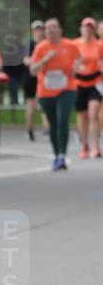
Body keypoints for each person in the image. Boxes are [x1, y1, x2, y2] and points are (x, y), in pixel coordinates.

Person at [29, 18, 81, 170]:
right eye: (48, 28)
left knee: (62, 119)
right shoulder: (41, 47)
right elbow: (33, 71)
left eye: (54, 27)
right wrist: (45, 60)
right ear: (45, 32)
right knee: (53, 124)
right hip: (46, 91)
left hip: (67, 88)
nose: (51, 30)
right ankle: (56, 154)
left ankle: (62, 155)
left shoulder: (69, 45)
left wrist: (75, 67)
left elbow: (79, 58)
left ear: (60, 30)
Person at [72, 17, 102, 159]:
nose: (88, 30)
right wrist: (76, 66)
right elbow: (69, 62)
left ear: (94, 30)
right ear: (81, 29)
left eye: (91, 28)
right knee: (82, 116)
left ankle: (96, 147)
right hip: (79, 83)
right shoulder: (74, 44)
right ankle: (85, 145)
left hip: (95, 83)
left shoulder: (99, 45)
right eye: (86, 27)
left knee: (94, 113)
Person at [22, 20, 47, 140]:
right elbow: (26, 61)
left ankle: (47, 129)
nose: (39, 32)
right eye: (36, 30)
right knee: (31, 104)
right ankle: (29, 129)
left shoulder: (47, 44)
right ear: (32, 31)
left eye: (41, 29)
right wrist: (41, 61)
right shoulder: (29, 45)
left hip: (45, 77)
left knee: (45, 102)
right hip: (31, 77)